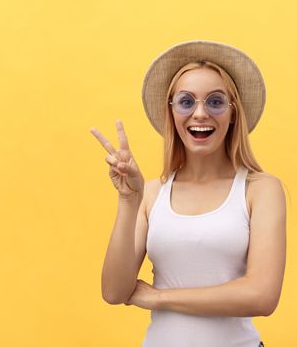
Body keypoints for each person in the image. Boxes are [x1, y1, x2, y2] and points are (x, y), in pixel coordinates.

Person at [90, 40, 286, 347]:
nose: (200, 113)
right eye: (186, 102)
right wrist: (129, 201)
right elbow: (114, 292)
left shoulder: (260, 190)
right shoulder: (151, 194)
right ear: (171, 113)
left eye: (215, 102)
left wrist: (159, 297)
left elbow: (261, 296)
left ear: (233, 113)